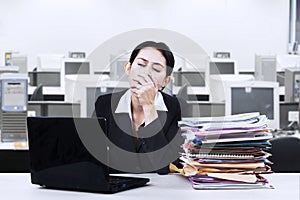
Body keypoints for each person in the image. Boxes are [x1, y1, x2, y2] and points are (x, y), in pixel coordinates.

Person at [94, 41, 183, 174]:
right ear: (128, 69)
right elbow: (93, 157)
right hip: (117, 190)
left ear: (166, 81)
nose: (145, 73)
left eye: (156, 69)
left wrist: (149, 107)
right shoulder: (105, 104)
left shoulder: (173, 107)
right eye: (141, 64)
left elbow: (163, 166)